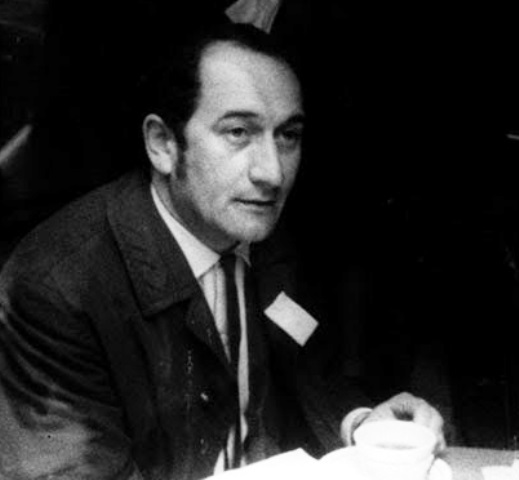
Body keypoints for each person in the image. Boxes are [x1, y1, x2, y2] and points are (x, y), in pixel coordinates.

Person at [0, 23, 444, 480]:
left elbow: (306, 373)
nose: (272, 173)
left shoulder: (267, 232)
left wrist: (363, 426)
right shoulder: (54, 287)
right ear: (163, 144)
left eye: (288, 136)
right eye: (238, 132)